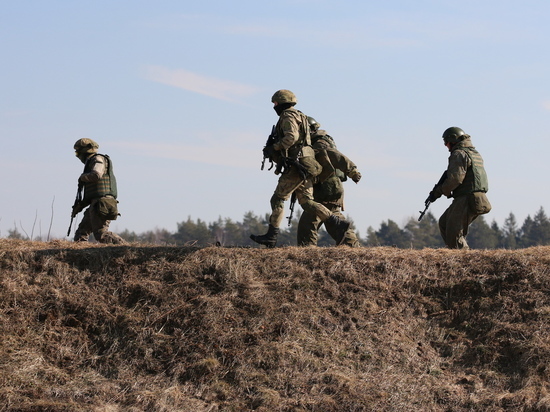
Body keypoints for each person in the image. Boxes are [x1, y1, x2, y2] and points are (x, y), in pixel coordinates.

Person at [250, 89, 352, 248]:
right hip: (307, 164)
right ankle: (337, 223)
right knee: (307, 202)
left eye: (275, 103)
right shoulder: (301, 115)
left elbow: (292, 137)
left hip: (297, 165)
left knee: (277, 199)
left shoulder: (288, 115)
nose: (274, 106)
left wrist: (275, 147)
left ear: (281, 102)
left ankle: (271, 235)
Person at [297, 117, 361, 247]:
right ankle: (352, 246)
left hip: (327, 187)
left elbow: (335, 155)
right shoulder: (318, 141)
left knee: (310, 220)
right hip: (330, 186)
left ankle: (307, 250)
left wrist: (352, 171)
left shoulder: (319, 144)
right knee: (332, 216)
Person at [427, 127, 491, 249]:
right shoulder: (473, 153)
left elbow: (455, 179)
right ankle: (455, 253)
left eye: (446, 143)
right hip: (474, 197)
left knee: (454, 232)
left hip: (467, 197)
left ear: (452, 140)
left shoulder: (458, 154)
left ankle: (462, 260)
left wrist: (439, 191)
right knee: (444, 223)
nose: (446, 146)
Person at [71, 138, 126, 244]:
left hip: (102, 204)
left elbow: (96, 175)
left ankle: (125, 247)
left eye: (78, 153)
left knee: (101, 234)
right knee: (80, 234)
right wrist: (80, 206)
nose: (78, 156)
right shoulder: (90, 163)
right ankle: (83, 256)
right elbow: (93, 193)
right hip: (96, 204)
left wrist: (83, 177)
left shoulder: (98, 159)